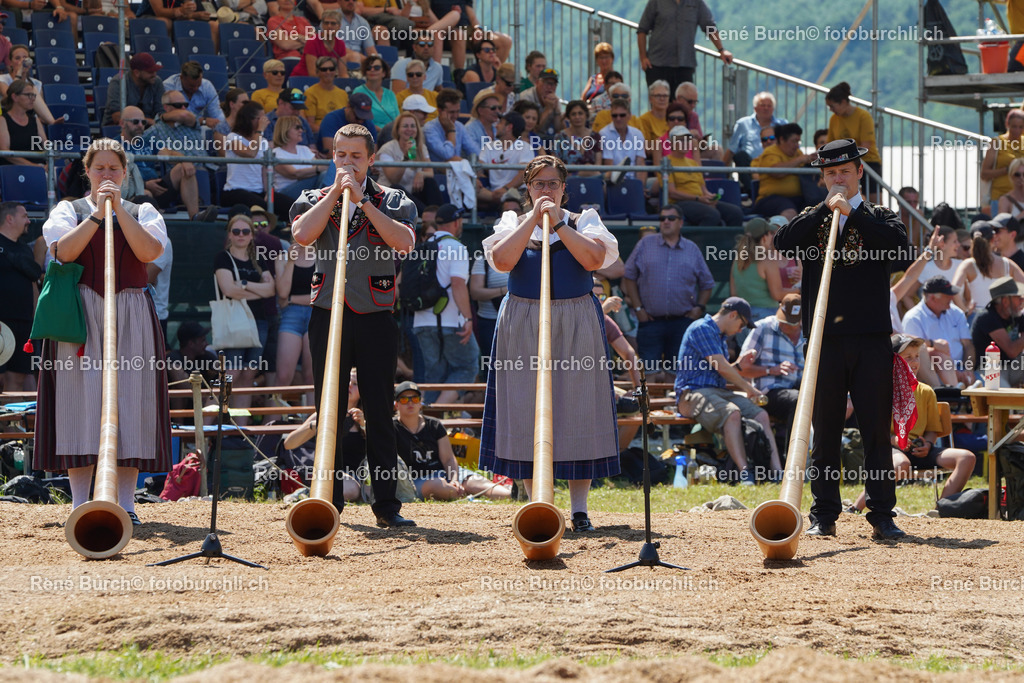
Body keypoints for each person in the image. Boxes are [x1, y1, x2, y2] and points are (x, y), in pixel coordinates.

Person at [773, 138, 910, 540]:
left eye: (844, 172)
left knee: (875, 430)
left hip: (870, 339)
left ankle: (882, 514)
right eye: (831, 174)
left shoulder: (882, 216)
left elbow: (900, 249)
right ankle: (824, 515)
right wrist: (822, 212)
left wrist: (853, 214)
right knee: (826, 430)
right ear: (822, 178)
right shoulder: (813, 218)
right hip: (824, 340)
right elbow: (783, 242)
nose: (838, 179)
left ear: (858, 174)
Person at [480, 155, 620, 533]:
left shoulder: (583, 220)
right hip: (524, 318)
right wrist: (533, 220)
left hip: (575, 317)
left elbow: (594, 259)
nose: (546, 190)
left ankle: (579, 510)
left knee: (579, 406)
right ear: (528, 188)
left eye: (553, 183)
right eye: (538, 183)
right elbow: (502, 261)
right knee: (525, 407)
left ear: (564, 188)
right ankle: (537, 503)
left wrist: (557, 221)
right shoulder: (512, 222)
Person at [290, 122, 419, 528]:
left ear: (371, 159)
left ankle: (387, 505)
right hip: (328, 314)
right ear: (332, 156)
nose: (348, 162)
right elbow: (302, 236)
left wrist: (363, 202)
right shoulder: (312, 198)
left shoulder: (393, 199)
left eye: (356, 156)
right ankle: (327, 503)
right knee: (328, 407)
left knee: (380, 410)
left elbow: (404, 242)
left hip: (376, 316)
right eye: (341, 155)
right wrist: (334, 195)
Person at [36, 139, 171, 525]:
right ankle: (81, 504)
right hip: (81, 313)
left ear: (125, 174)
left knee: (132, 403)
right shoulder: (69, 209)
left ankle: (126, 504)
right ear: (88, 172)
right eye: (100, 169)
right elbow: (62, 252)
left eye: (114, 169)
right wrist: (97, 214)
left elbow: (149, 253)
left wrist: (119, 212)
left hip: (130, 310)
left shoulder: (143, 210)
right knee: (79, 403)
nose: (107, 175)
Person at [850, 335, 976, 512]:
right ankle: (856, 507)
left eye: (917, 356)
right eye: (908, 357)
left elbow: (932, 429)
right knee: (902, 464)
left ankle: (942, 509)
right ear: (892, 360)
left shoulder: (926, 392)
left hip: (919, 450)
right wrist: (895, 440)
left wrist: (928, 443)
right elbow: (875, 431)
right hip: (891, 449)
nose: (915, 362)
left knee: (967, 458)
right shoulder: (881, 391)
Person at [675, 296, 779, 484]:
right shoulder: (702, 328)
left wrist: (738, 366)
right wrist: (750, 389)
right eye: (742, 324)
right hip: (691, 395)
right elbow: (722, 367)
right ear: (733, 315)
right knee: (732, 413)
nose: (740, 330)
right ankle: (745, 474)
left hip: (715, 392)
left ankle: (778, 473)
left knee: (761, 415)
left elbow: (720, 369)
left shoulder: (719, 336)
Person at [622, 203, 712, 380]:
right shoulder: (645, 244)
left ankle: (673, 408)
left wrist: (699, 308)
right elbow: (628, 276)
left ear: (681, 222)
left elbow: (707, 283)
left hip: (682, 322)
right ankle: (651, 409)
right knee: (648, 375)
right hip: (650, 321)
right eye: (662, 218)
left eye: (671, 218)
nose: (666, 222)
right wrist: (639, 309)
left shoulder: (692, 249)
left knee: (677, 375)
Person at [393, 380, 510, 500]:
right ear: (396, 405)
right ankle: (460, 494)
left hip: (444, 472)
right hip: (416, 480)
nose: (410, 403)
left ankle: (513, 493)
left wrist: (454, 480)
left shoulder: (434, 424)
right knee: (437, 485)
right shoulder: (392, 428)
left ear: (420, 403)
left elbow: (448, 458)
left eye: (415, 398)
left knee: (478, 483)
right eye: (404, 399)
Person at [410, 203, 478, 404]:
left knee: (434, 377)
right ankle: (435, 417)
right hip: (450, 323)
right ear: (457, 222)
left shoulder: (421, 247)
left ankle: (426, 426)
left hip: (421, 322)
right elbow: (458, 284)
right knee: (468, 367)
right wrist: (467, 318)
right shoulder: (457, 247)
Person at [214, 214, 276, 424]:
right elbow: (229, 289)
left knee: (249, 375)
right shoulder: (223, 258)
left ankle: (240, 431)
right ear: (230, 234)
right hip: (234, 321)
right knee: (230, 374)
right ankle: (205, 426)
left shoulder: (258, 260)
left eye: (245, 231)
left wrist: (243, 284)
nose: (241, 235)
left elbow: (271, 290)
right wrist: (257, 290)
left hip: (258, 321)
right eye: (236, 231)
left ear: (251, 235)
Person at [738, 293, 804, 459]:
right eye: (786, 322)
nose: (790, 327)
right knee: (798, 401)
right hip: (770, 393)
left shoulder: (810, 331)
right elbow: (741, 369)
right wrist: (771, 370)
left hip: (802, 388)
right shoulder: (762, 328)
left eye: (794, 323)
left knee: (834, 400)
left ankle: (844, 462)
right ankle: (794, 460)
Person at [136, 92, 219, 222]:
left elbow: (185, 115)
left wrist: (163, 117)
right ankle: (200, 215)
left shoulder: (191, 123)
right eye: (178, 105)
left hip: (209, 169)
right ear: (166, 107)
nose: (183, 108)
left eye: (185, 105)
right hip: (181, 175)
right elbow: (135, 143)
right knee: (191, 170)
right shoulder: (155, 130)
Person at [636, 0, 732, 94]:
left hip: (684, 64)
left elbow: (709, 27)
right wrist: (643, 57)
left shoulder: (696, 3)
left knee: (684, 105)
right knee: (660, 102)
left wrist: (721, 50)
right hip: (657, 64)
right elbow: (642, 30)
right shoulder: (656, 2)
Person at [655, 126, 744, 226]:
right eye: (680, 140)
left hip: (698, 200)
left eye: (687, 140)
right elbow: (672, 193)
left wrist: (710, 197)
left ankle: (729, 241)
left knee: (735, 213)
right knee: (711, 215)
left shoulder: (693, 163)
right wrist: (697, 198)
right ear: (671, 143)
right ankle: (702, 241)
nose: (685, 143)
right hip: (679, 203)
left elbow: (703, 189)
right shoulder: (666, 163)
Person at [902, 276, 974, 388]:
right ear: (932, 298)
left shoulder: (956, 312)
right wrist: (956, 372)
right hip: (935, 373)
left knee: (987, 389)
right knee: (939, 356)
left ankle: (957, 395)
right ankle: (954, 397)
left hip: (962, 369)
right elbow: (916, 353)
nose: (952, 297)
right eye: (947, 295)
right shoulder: (913, 318)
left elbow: (968, 345)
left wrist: (968, 369)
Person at [0, 201, 41, 392]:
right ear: (10, 218)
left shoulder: (24, 249)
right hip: (2, 322)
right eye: (24, 216)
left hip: (23, 323)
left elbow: (32, 284)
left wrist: (35, 318)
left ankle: (13, 422)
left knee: (17, 378)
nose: (29, 221)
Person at [730, 217, 798, 322]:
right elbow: (777, 294)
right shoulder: (768, 261)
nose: (772, 236)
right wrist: (801, 289)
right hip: (766, 317)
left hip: (741, 319)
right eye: (770, 233)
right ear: (764, 238)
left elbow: (734, 293)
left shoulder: (737, 260)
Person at [951, 222, 1024, 318]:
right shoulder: (1007, 264)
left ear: (972, 241)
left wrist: (965, 312)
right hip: (1002, 319)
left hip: (977, 319)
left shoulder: (967, 265)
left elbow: (953, 290)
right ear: (993, 239)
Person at [375, 111, 444, 210]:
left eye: (413, 126)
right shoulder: (387, 149)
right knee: (396, 188)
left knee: (429, 182)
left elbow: (430, 172)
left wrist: (421, 174)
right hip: (390, 197)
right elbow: (393, 179)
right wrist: (405, 158)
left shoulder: (421, 147)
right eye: (405, 126)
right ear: (398, 130)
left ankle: (437, 213)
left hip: (412, 194)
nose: (409, 129)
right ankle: (428, 214)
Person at [275, 238, 315, 406]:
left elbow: (325, 294)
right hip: (290, 316)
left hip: (316, 314)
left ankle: (316, 425)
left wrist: (292, 299)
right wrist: (291, 260)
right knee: (283, 376)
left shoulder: (324, 257)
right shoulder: (283, 257)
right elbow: (283, 293)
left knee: (312, 376)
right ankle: (271, 426)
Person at [825, 82, 881, 199]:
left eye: (832, 106)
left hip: (868, 162)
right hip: (843, 163)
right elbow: (829, 144)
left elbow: (866, 145)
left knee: (873, 200)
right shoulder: (834, 119)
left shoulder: (863, 116)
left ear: (844, 102)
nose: (831, 110)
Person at [751, 123, 818, 220]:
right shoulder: (770, 152)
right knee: (790, 211)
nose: (796, 146)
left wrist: (811, 160)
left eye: (798, 142)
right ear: (782, 139)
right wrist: (799, 160)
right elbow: (776, 172)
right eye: (794, 141)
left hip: (799, 197)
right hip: (771, 199)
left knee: (817, 208)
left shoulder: (798, 153)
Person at [971, 276, 1024, 387]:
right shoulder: (987, 317)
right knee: (1005, 398)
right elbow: (1012, 351)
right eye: (1018, 297)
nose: (1022, 300)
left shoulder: (1016, 314)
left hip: (1013, 366)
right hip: (989, 370)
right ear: (1005, 301)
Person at [477, 110, 532, 210]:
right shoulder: (489, 146)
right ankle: (499, 197)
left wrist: (505, 189)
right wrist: (475, 178)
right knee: (469, 187)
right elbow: (479, 168)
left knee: (517, 198)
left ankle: (502, 198)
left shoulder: (525, 147)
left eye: (500, 123)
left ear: (509, 127)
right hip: (493, 193)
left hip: (516, 193)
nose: (496, 126)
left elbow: (524, 174)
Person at [723, 91, 787, 171]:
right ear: (755, 108)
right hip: (750, 169)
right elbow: (732, 150)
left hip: (777, 166)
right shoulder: (743, 124)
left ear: (773, 109)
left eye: (769, 106)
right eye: (762, 105)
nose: (766, 108)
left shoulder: (783, 125)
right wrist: (721, 173)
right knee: (740, 156)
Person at [0, 44, 58, 125]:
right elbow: (11, 96)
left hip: (27, 120)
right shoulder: (2, 79)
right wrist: (19, 73)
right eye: (17, 58)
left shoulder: (36, 84)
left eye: (25, 58)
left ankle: (52, 122)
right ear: (11, 63)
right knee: (28, 89)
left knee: (32, 88)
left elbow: (39, 113)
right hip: (7, 120)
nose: (22, 61)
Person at [102, 52, 164, 127]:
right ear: (136, 72)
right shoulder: (118, 82)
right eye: (150, 72)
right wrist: (147, 121)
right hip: (120, 127)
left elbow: (161, 111)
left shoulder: (157, 82)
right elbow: (116, 116)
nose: (154, 74)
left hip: (149, 128)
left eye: (155, 71)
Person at [163, 61, 225, 130]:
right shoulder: (168, 87)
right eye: (191, 86)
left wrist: (222, 125)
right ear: (181, 78)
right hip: (176, 127)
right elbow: (169, 116)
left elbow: (217, 114)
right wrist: (202, 121)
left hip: (200, 128)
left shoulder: (207, 86)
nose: (195, 88)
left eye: (198, 85)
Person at [596, 100, 647, 184]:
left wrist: (640, 187)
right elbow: (609, 166)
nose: (618, 118)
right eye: (614, 115)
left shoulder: (637, 134)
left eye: (622, 115)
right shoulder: (604, 134)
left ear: (629, 116)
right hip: (614, 182)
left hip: (634, 181)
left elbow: (640, 164)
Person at [423, 88, 479, 162]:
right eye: (451, 112)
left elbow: (475, 151)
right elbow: (447, 154)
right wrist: (451, 131)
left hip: (458, 171)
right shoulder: (429, 129)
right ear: (440, 111)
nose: (456, 116)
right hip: (438, 172)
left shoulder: (459, 126)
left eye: (458, 111)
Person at [272, 115, 320, 198]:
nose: (301, 130)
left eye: (301, 127)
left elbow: (318, 167)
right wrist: (318, 169)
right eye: (297, 127)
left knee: (326, 174)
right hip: (285, 193)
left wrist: (319, 169)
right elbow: (294, 174)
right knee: (323, 174)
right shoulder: (276, 153)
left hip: (305, 189)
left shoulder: (305, 149)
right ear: (285, 130)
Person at [983, 109, 1024, 205]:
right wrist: (1008, 169)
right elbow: (984, 174)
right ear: (1007, 125)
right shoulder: (997, 142)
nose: (1017, 131)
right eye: (1014, 127)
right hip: (1000, 196)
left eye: (1021, 127)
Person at [0, 79, 45, 167]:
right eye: (28, 95)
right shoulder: (3, 120)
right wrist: (33, 166)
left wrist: (48, 164)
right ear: (15, 97)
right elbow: (5, 151)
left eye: (33, 95)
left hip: (40, 167)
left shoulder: (35, 120)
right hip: (15, 170)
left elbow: (46, 145)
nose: (32, 99)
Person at [294, 10, 350, 78]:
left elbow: (343, 73)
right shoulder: (313, 41)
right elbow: (313, 74)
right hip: (302, 79)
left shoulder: (340, 44)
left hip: (326, 81)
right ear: (322, 25)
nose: (329, 26)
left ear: (339, 26)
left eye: (333, 23)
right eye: (326, 23)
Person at [353, 54, 400, 131]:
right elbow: (359, 121)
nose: (372, 70)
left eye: (377, 68)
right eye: (369, 68)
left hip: (392, 134)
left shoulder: (390, 94)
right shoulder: (358, 92)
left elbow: (398, 119)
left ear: (384, 73)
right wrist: (381, 131)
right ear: (365, 72)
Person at [304, 57, 349, 136]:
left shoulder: (343, 94)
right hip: (321, 135)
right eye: (324, 69)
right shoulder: (310, 93)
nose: (328, 72)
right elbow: (310, 124)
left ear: (335, 72)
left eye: (331, 69)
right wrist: (330, 132)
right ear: (318, 72)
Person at [554, 100, 598, 174]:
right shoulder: (559, 137)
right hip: (568, 179)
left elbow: (598, 165)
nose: (577, 117)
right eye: (573, 114)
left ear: (586, 115)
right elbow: (556, 165)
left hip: (591, 178)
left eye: (580, 113)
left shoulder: (595, 136)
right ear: (568, 117)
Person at [519, 67, 562, 139]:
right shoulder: (526, 98)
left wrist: (557, 111)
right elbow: (533, 129)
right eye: (546, 83)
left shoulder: (554, 99)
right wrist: (548, 109)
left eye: (553, 84)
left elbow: (559, 130)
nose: (549, 87)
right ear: (537, 83)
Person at [267, 0, 313, 65]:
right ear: (277, 1)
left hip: (308, 58)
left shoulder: (303, 20)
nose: (287, 0)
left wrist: (296, 37)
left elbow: (313, 42)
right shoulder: (273, 21)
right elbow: (285, 45)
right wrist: (305, 41)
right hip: (287, 59)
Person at [214, 89, 250, 157]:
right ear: (232, 104)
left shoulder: (249, 124)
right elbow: (223, 153)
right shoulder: (221, 128)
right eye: (244, 103)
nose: (247, 106)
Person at [637, 80, 671, 146]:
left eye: (665, 96)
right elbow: (646, 147)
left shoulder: (674, 118)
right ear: (650, 99)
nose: (662, 99)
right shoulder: (643, 120)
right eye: (658, 96)